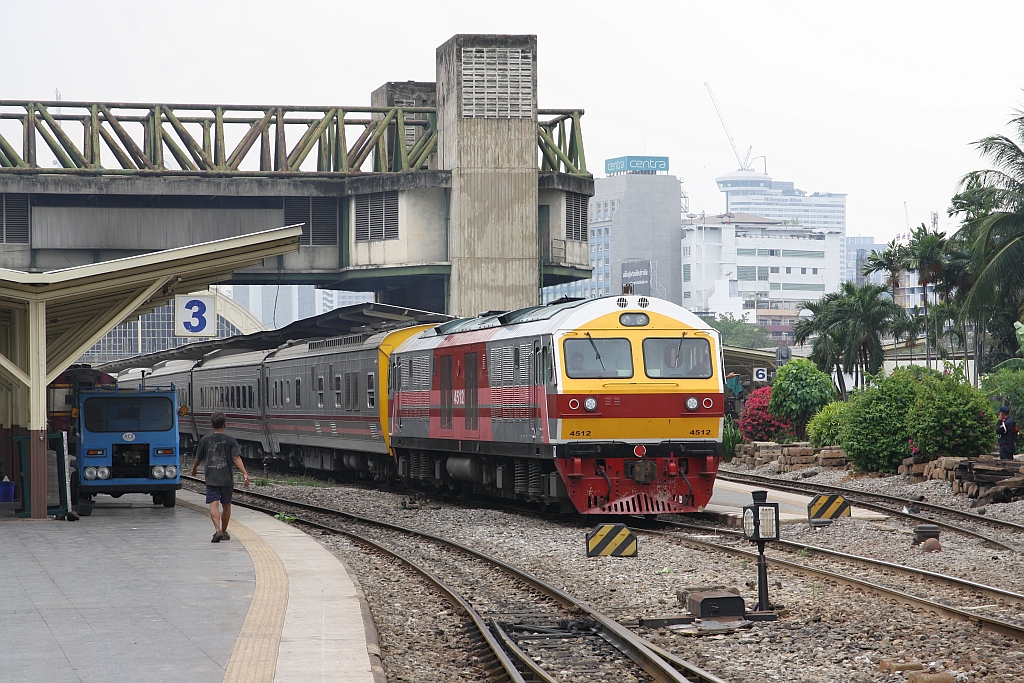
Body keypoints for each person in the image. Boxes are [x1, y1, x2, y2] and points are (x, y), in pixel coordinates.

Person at [190, 411, 249, 542]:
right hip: (227, 479)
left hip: (211, 478)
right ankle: (224, 531)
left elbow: (198, 458)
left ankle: (217, 531)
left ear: (211, 424)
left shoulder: (205, 440)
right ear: (225, 425)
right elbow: (236, 458)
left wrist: (194, 469)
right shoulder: (231, 440)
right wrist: (245, 473)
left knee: (214, 504)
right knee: (226, 505)